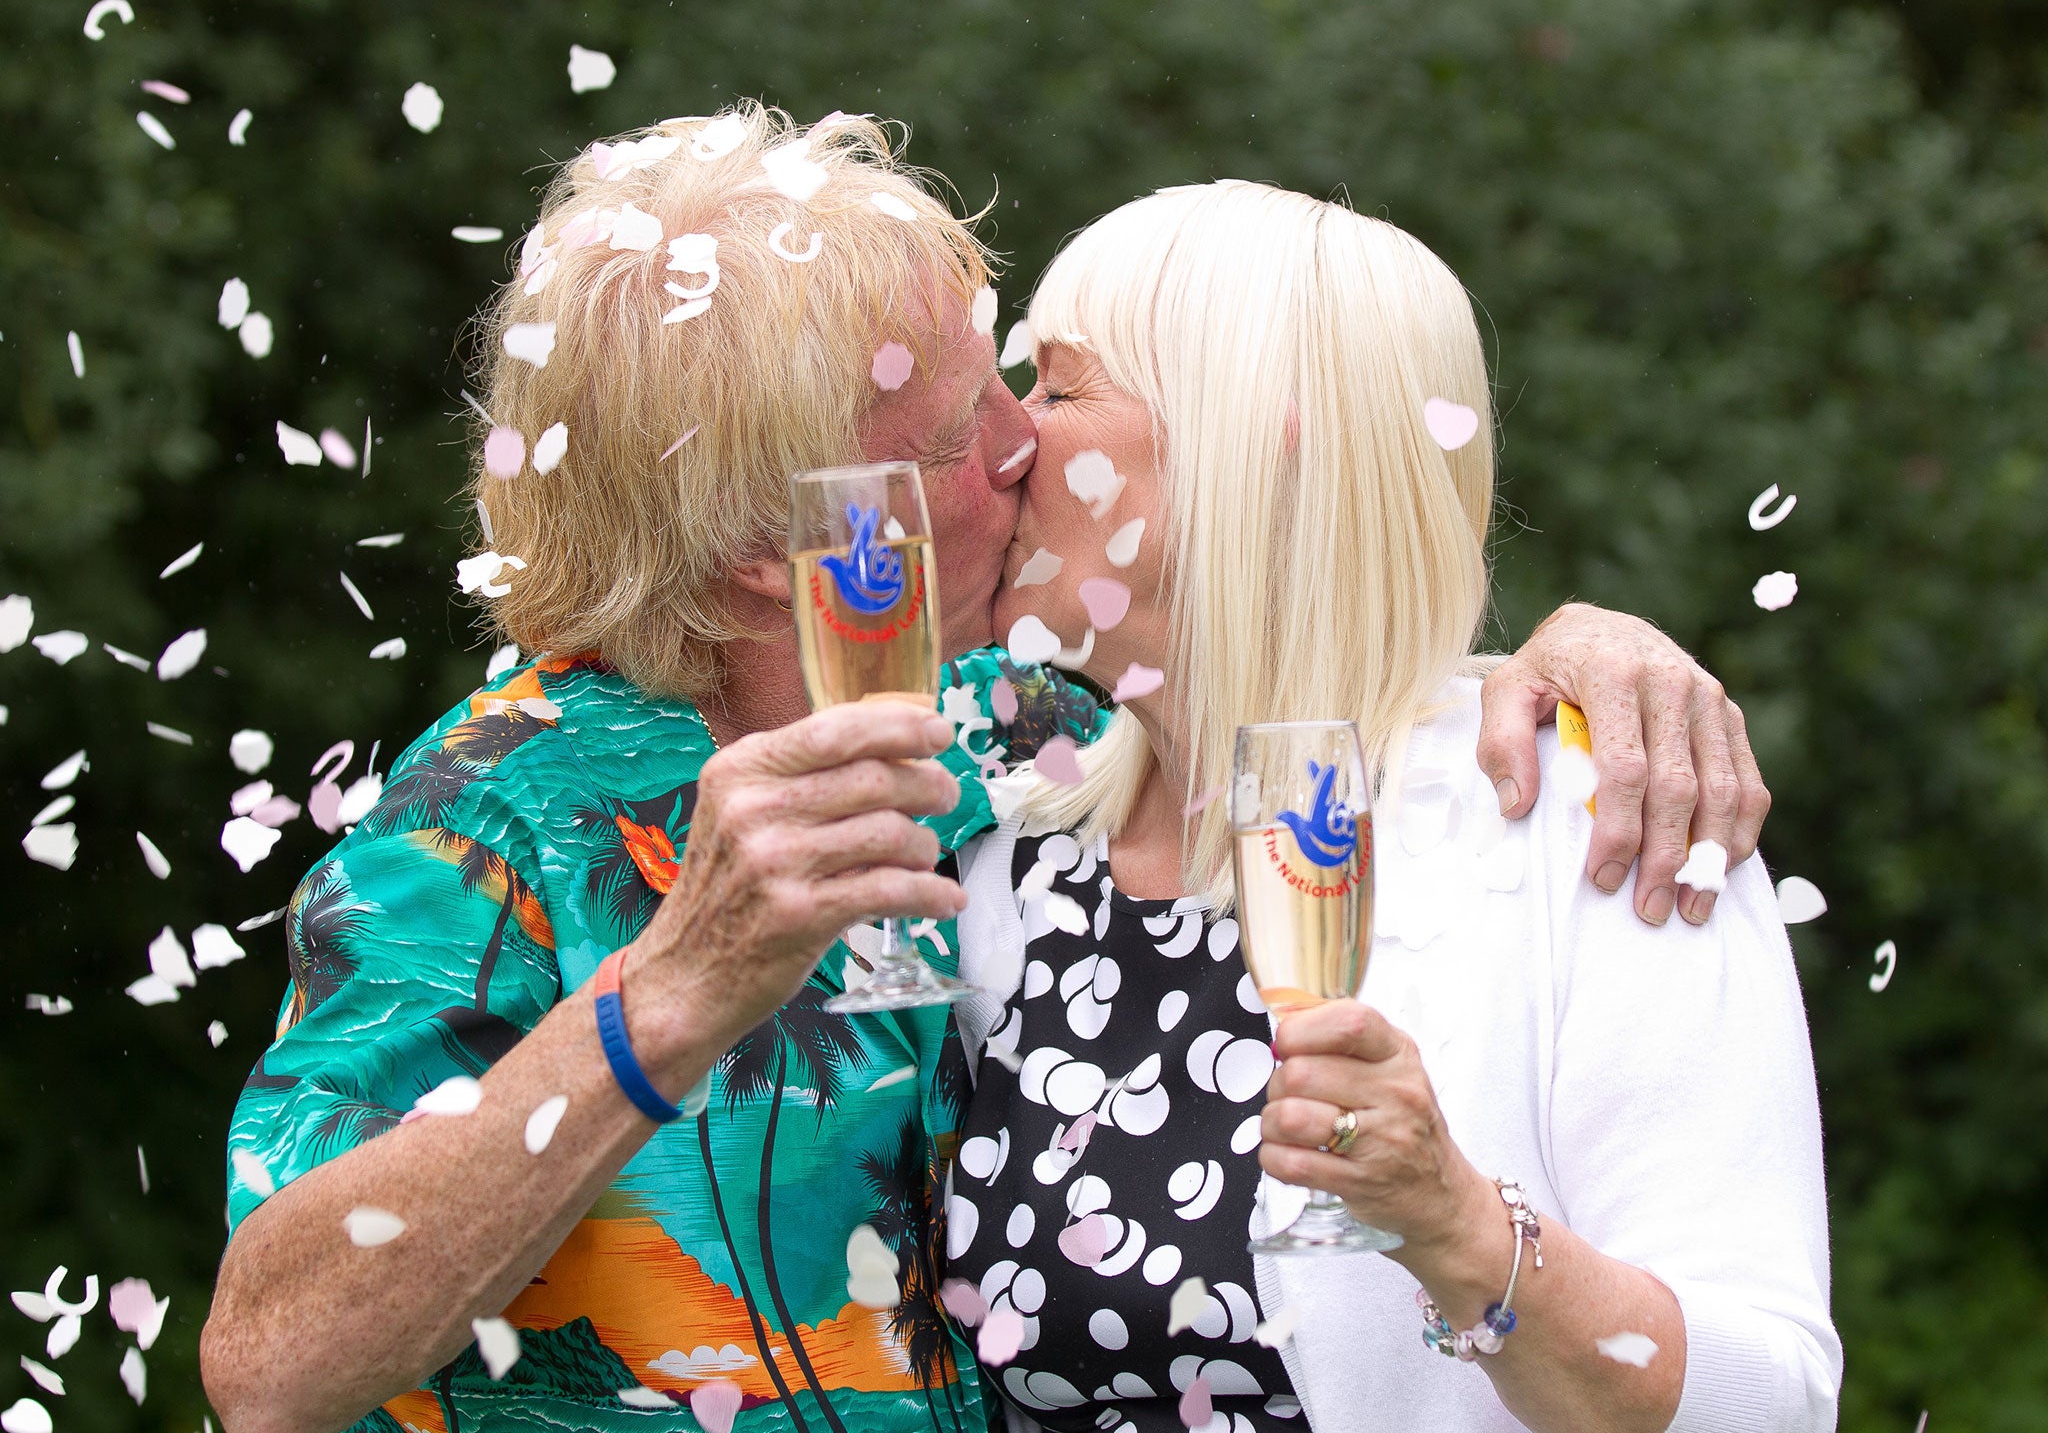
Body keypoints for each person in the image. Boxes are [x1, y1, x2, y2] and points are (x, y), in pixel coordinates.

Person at [200, 108, 1776, 1433]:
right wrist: (666, 1000)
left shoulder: (1006, 739)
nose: (1026, 441)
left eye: (1027, 381)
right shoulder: (480, 825)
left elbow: (1286, 664)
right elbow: (265, 1371)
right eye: (966, 425)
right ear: (775, 550)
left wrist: (1571, 659)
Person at [947, 180, 1839, 1433]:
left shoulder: (1584, 816)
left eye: (1056, 385)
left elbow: (1773, 1403)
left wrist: (1462, 1230)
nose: (1007, 441)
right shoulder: (1008, 853)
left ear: (1251, 437)